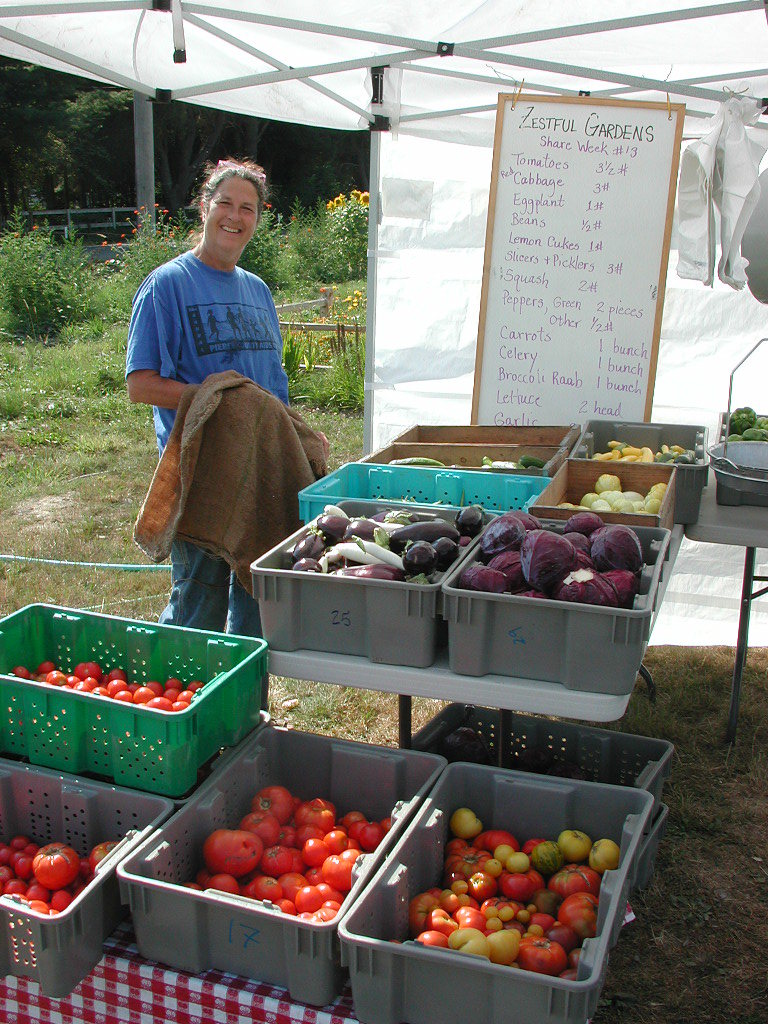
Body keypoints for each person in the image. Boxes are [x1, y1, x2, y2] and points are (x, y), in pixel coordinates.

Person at [126, 157, 328, 635]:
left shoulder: (257, 291)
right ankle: (184, 686)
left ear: (258, 218)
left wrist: (295, 430)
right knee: (199, 602)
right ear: (204, 208)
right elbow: (141, 385)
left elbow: (270, 389)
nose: (235, 216)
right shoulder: (168, 285)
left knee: (258, 603)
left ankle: (243, 688)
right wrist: (223, 399)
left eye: (248, 208)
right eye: (225, 204)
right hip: (204, 474)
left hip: (263, 473)